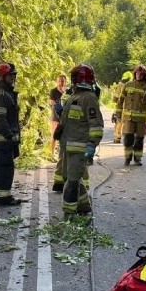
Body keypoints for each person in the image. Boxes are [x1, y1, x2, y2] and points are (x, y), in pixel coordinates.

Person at [58, 64, 103, 217]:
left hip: (80, 148)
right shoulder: (75, 96)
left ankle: (68, 214)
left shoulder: (89, 98)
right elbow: (71, 121)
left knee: (72, 181)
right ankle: (84, 206)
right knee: (70, 178)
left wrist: (92, 145)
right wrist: (61, 113)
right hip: (68, 147)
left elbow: (96, 125)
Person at [0, 62, 25, 205]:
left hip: (0, 138)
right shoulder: (1, 95)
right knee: (6, 167)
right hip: (3, 139)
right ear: (2, 76)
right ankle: (4, 197)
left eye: (14, 75)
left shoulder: (7, 93)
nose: (13, 78)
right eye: (10, 75)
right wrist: (9, 136)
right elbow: (0, 119)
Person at [115, 65, 146, 166]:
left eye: (141, 74)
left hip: (141, 120)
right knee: (128, 139)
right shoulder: (128, 85)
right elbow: (120, 101)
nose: (139, 75)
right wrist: (118, 114)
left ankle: (138, 158)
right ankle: (127, 158)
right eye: (137, 73)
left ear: (144, 75)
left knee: (139, 140)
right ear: (135, 74)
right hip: (128, 118)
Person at [48, 74, 67, 156]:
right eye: (59, 81)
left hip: (65, 117)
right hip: (55, 117)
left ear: (65, 82)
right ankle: (51, 154)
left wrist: (64, 93)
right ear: (57, 82)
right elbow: (51, 102)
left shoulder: (68, 92)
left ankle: (62, 154)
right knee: (54, 135)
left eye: (62, 81)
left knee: (65, 136)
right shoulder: (53, 91)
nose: (61, 83)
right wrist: (58, 105)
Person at [111, 71, 131, 144]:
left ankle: (117, 138)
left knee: (119, 121)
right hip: (129, 107)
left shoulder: (120, 85)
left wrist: (115, 101)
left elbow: (116, 97)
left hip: (120, 107)